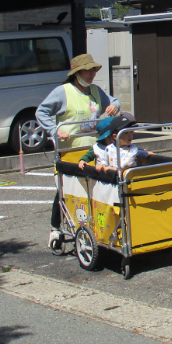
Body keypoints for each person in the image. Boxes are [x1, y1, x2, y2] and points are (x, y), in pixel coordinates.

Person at [36, 53, 120, 249]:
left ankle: (96, 228)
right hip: (70, 150)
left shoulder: (96, 91)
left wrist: (113, 107)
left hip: (92, 149)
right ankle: (55, 229)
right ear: (76, 73)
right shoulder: (62, 91)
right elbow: (41, 112)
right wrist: (55, 129)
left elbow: (114, 102)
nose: (92, 74)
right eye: (88, 70)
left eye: (93, 70)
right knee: (65, 191)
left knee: (95, 188)